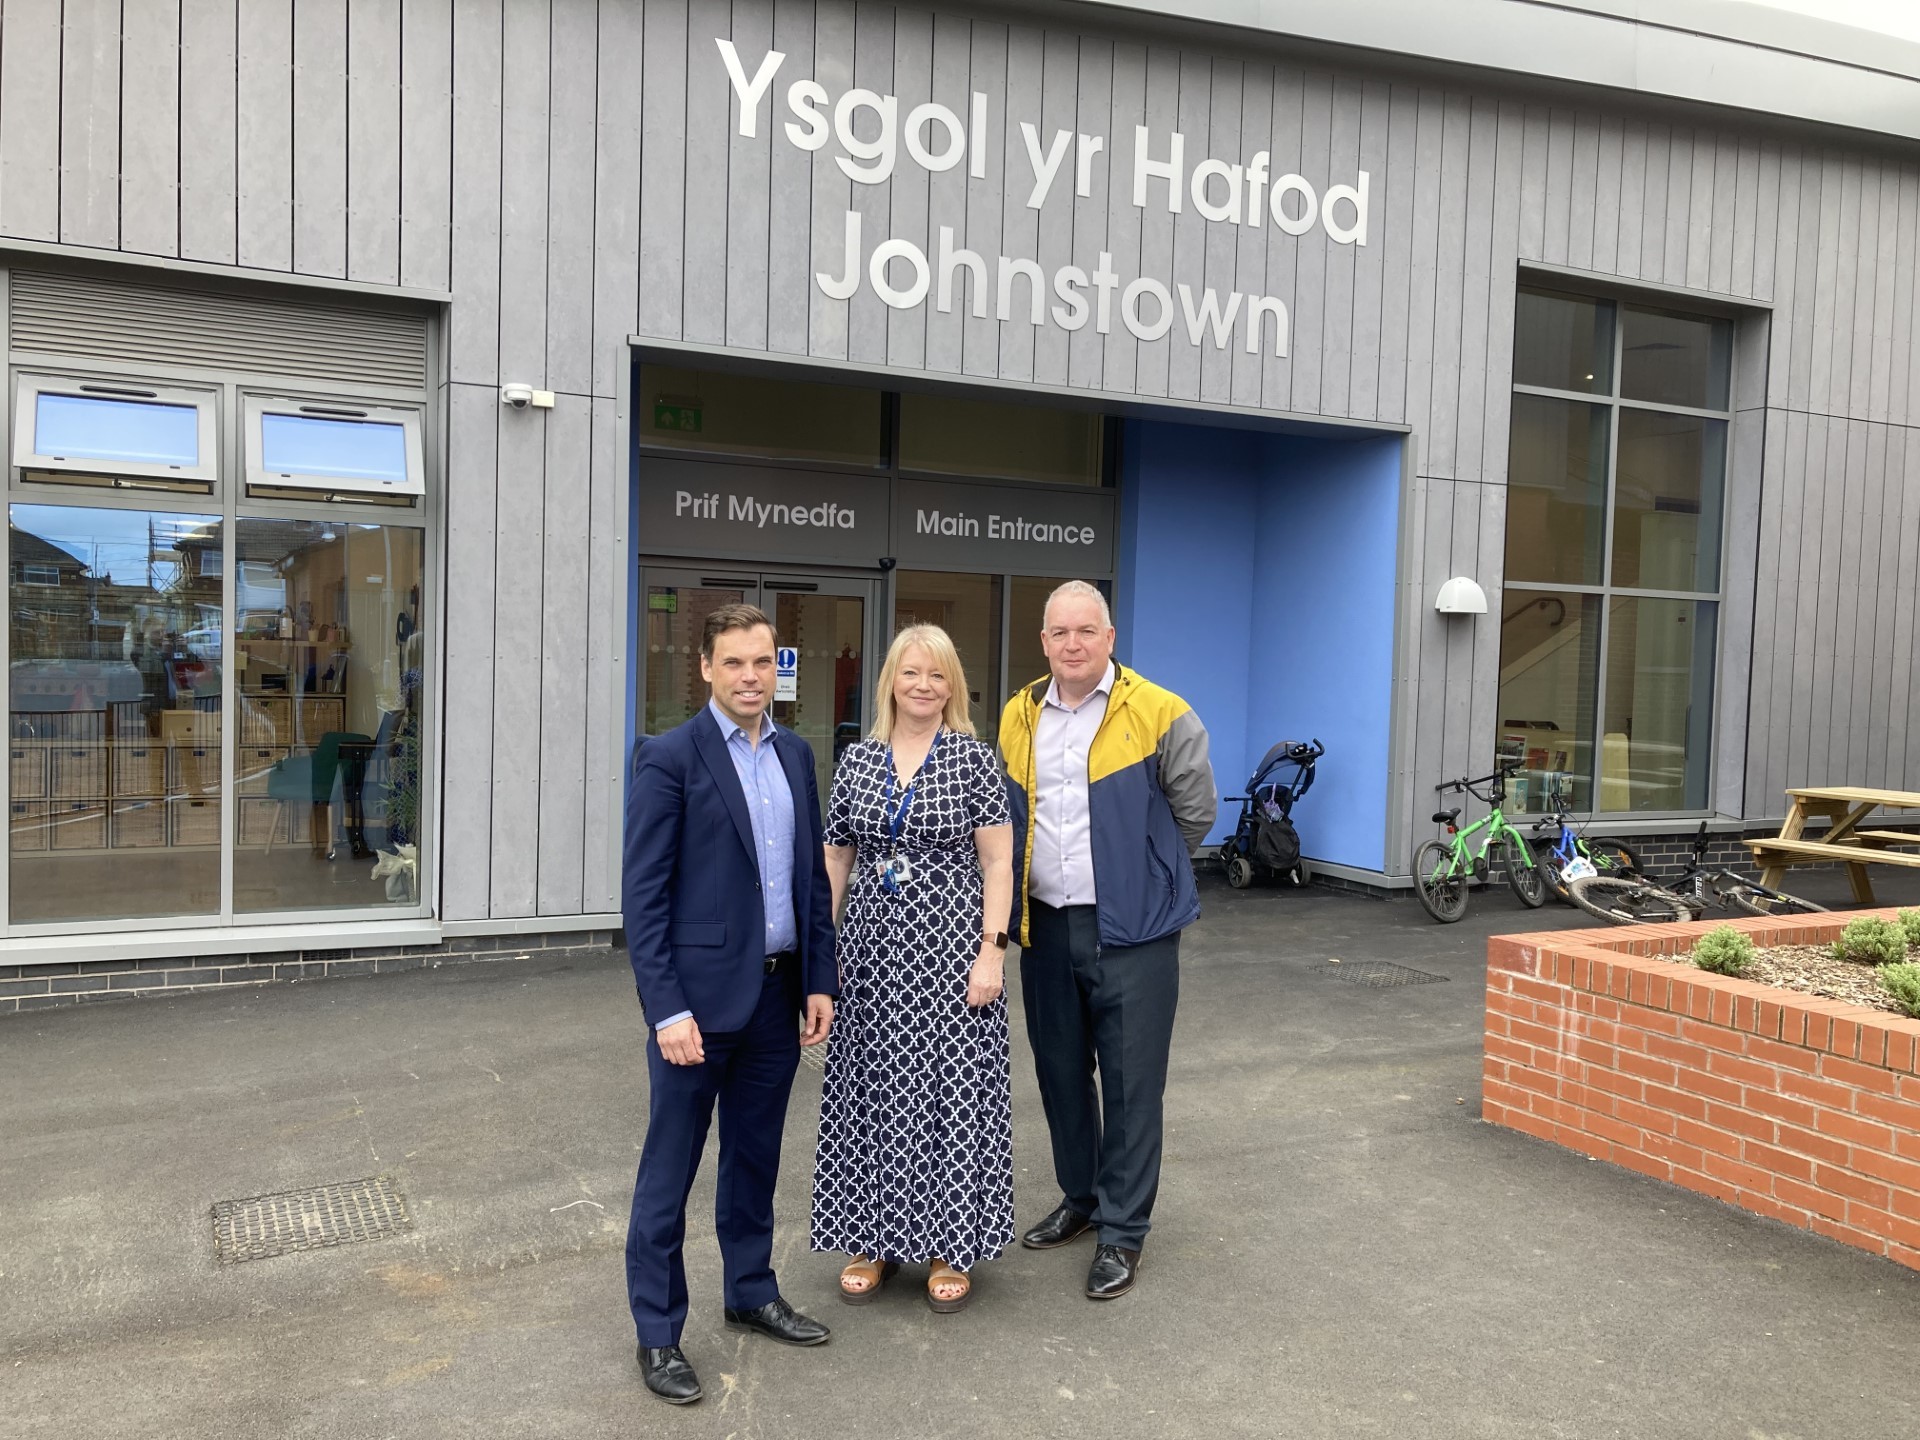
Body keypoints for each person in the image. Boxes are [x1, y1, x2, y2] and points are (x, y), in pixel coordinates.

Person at [621, 603, 838, 1405]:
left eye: (764, 662)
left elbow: (809, 881)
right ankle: (657, 1332)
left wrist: (821, 980)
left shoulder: (797, 754)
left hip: (779, 998)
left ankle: (750, 1290)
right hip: (696, 1012)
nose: (752, 677)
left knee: (754, 1160)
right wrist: (666, 1009)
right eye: (735, 663)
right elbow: (643, 899)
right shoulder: (668, 758)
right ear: (705, 668)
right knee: (669, 1171)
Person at [998, 580, 1216, 1301]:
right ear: (1044, 641)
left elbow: (1195, 812)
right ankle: (1082, 1200)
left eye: (1086, 631)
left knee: (1130, 1084)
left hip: (1135, 933)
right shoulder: (1019, 714)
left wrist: (1147, 879)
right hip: (1047, 925)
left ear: (1110, 637)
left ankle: (1123, 1230)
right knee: (1060, 1075)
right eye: (1059, 633)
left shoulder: (1160, 711)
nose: (1073, 644)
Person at [811, 625, 1015, 1313]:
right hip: (870, 954)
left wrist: (993, 949)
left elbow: (997, 862)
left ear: (952, 685)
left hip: (952, 951)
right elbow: (837, 858)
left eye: (937, 674)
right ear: (890, 681)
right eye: (911, 672)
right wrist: (823, 948)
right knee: (870, 1091)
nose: (923, 685)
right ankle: (869, 1239)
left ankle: (948, 1245)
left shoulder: (972, 761)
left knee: (947, 1095)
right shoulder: (858, 761)